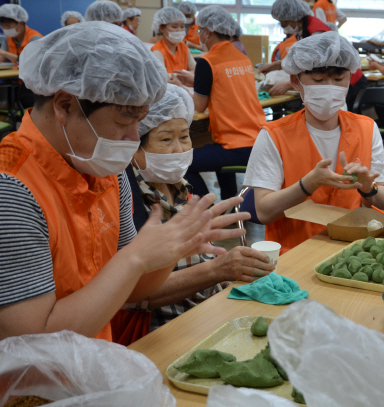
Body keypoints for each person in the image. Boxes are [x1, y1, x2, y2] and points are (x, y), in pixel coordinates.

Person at [0, 22, 247, 342]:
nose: (133, 140)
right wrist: (136, 257)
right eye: (123, 123)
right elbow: (34, 338)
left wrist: (171, 249)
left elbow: (133, 287)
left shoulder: (103, 169)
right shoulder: (13, 188)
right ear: (65, 106)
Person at [124, 84, 273, 332]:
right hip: (166, 332)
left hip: (207, 317)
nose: (180, 149)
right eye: (165, 139)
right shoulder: (130, 205)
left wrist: (228, 274)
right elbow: (131, 295)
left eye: (184, 137)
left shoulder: (185, 192)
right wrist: (215, 270)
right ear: (133, 147)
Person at [244, 32, 384, 254]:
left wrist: (368, 188)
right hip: (293, 253)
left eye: (339, 80)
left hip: (353, 252)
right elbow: (263, 212)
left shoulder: (367, 128)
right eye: (319, 81)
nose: (330, 88)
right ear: (296, 81)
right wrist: (308, 184)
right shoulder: (274, 135)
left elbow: (382, 204)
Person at [174, 5, 265, 200]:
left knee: (181, 163)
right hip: (259, 140)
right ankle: (230, 203)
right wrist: (196, 82)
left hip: (236, 145)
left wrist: (178, 88)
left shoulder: (207, 62)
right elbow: (226, 86)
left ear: (208, 32)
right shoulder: (242, 58)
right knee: (215, 153)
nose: (199, 35)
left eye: (199, 31)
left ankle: (208, 210)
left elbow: (198, 106)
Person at [258, 0, 367, 110]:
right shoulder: (303, 30)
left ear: (293, 17)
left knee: (342, 118)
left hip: (344, 79)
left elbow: (318, 68)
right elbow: (302, 59)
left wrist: (289, 84)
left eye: (284, 24)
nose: (284, 28)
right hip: (335, 77)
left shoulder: (315, 31)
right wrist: (275, 65)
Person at [150, 7, 195, 84]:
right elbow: (161, 77)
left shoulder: (183, 47)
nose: (179, 30)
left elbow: (195, 69)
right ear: (161, 28)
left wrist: (176, 76)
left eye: (182, 26)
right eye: (174, 27)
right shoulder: (157, 51)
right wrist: (185, 76)